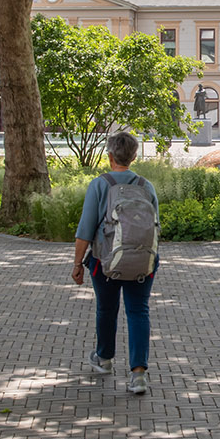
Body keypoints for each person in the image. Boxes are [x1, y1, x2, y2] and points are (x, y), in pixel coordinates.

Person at [72, 131, 159, 396]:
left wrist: (77, 263)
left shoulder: (100, 185)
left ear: (110, 156)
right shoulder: (147, 186)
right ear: (134, 156)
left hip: (105, 261)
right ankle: (139, 375)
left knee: (106, 309)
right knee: (138, 312)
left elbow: (85, 229)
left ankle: (104, 359)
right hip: (144, 262)